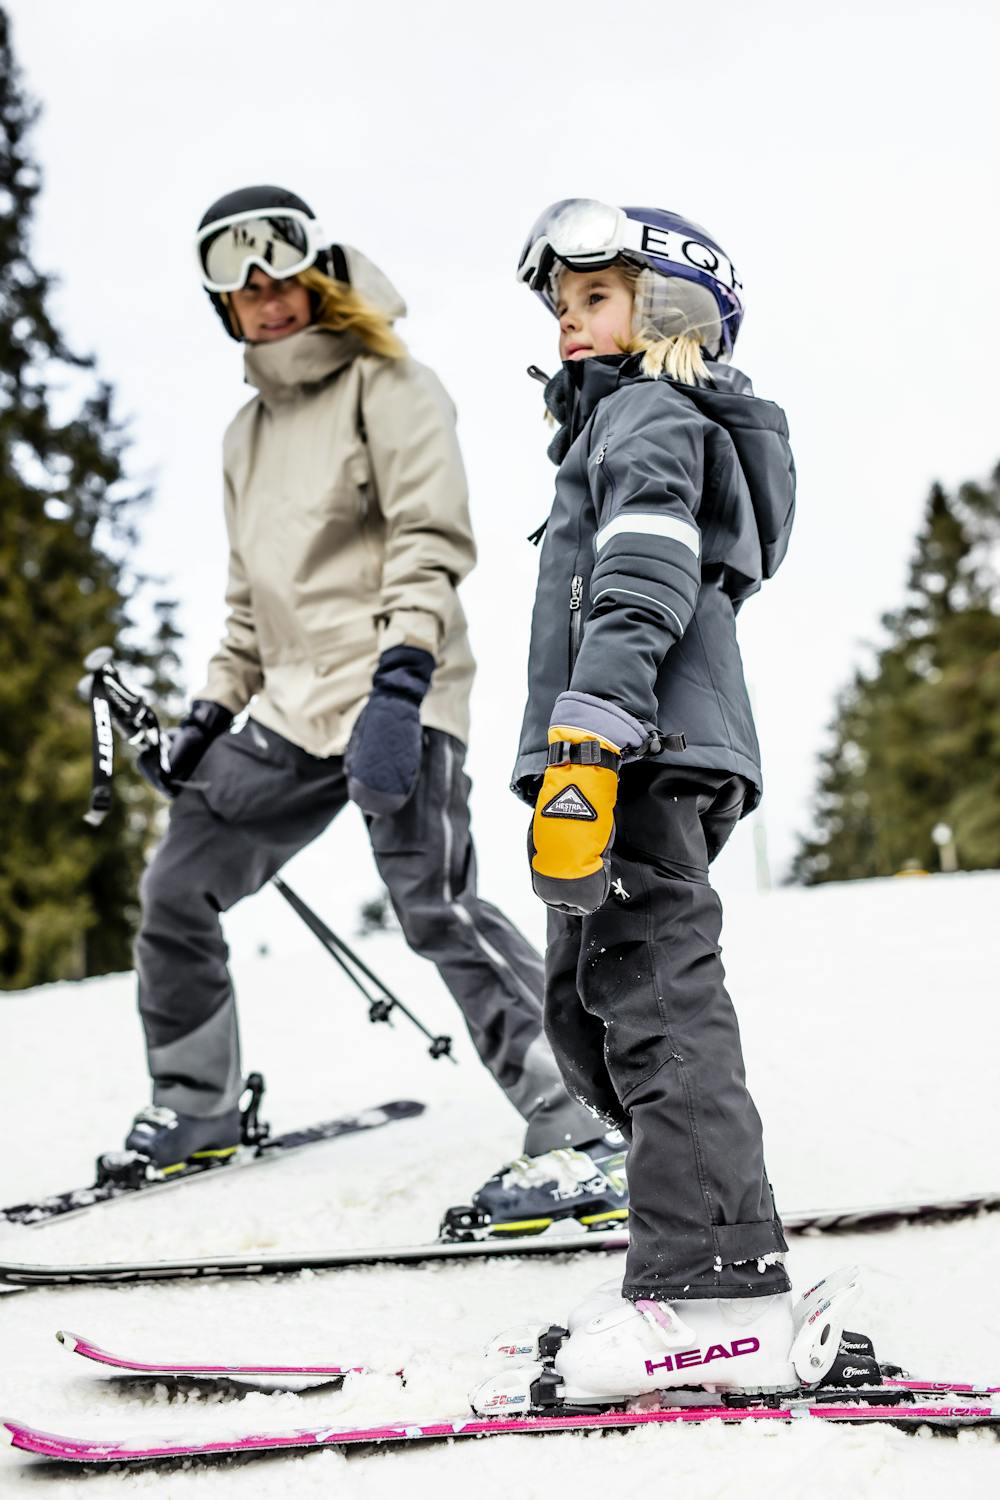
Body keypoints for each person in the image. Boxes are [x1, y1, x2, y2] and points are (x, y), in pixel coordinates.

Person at [123, 185, 622, 1227]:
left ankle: (578, 1109)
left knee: (432, 901)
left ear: (315, 269)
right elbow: (246, 607)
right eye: (235, 277)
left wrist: (400, 689)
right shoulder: (243, 437)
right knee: (178, 883)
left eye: (277, 267)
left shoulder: (390, 386)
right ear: (222, 304)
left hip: (400, 680)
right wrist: (209, 717)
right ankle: (195, 1103)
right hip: (294, 709)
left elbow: (428, 544)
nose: (262, 293)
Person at [495, 198, 823, 1400]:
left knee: (655, 1001)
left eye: (596, 298)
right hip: (627, 741)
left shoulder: (645, 413)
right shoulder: (616, 424)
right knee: (593, 1010)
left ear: (668, 308)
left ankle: (713, 1288)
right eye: (560, 306)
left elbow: (643, 567)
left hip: (631, 743)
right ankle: (680, 1250)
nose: (570, 325)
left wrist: (590, 731)